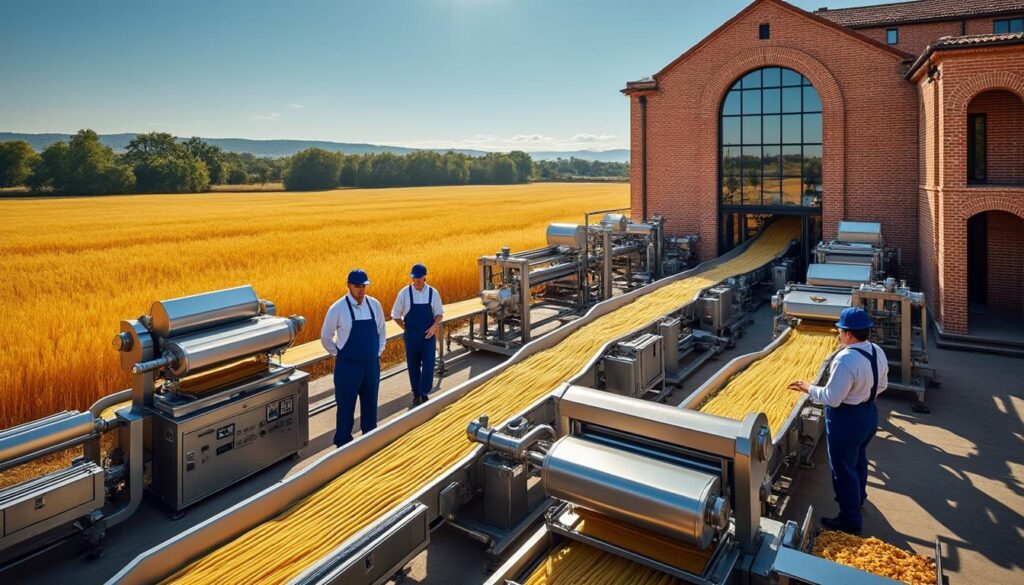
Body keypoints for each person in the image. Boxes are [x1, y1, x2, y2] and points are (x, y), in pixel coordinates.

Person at [788, 306, 888, 534]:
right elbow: (882, 385)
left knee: (843, 470)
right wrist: (863, 394)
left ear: (850, 334)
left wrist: (808, 388)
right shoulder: (876, 351)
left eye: (841, 331)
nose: (839, 334)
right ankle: (858, 498)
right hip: (869, 415)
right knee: (858, 459)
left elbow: (832, 399)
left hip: (847, 420)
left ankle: (849, 520)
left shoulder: (845, 360)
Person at [320, 269, 387, 446]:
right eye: (357, 286)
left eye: (364, 285)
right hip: (348, 368)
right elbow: (326, 337)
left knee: (370, 406)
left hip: (371, 366)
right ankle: (343, 444)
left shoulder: (374, 305)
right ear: (348, 285)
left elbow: (381, 331)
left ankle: (369, 441)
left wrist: (377, 352)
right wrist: (338, 353)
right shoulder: (338, 308)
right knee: (345, 408)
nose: (361, 289)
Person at [391, 263, 443, 406]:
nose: (417, 281)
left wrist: (434, 326)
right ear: (412, 278)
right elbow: (395, 314)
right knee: (413, 366)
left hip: (428, 337)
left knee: (429, 365)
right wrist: (405, 328)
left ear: (425, 277)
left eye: (420, 278)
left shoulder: (433, 293)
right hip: (411, 337)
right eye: (415, 278)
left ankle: (424, 392)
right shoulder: (404, 293)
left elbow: (439, 314)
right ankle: (416, 394)